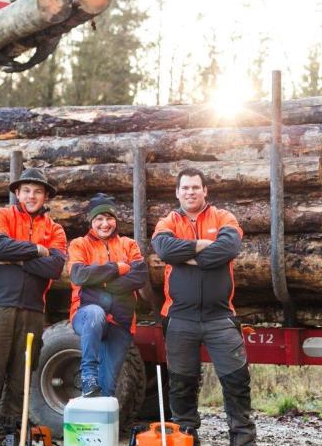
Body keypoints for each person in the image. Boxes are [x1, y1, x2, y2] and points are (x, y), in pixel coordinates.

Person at [151, 168, 256, 446]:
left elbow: (228, 249)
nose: (190, 192)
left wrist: (186, 256)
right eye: (185, 188)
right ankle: (186, 439)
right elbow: (164, 250)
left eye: (195, 187)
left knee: (236, 382)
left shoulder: (224, 217)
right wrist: (200, 245)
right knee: (181, 386)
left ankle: (243, 440)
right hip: (179, 319)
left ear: (205, 190)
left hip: (220, 317)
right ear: (177, 192)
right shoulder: (167, 222)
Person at [0, 167, 67, 445]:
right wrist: (37, 250)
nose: (31, 195)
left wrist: (18, 257)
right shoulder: (1, 216)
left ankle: (5, 435)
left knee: (21, 378)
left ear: (45, 196)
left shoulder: (54, 229)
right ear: (18, 193)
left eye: (37, 191)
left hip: (33, 310)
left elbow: (55, 267)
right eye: (26, 190)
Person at [68, 193, 148, 397]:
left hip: (121, 322)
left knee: (107, 390)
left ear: (116, 220)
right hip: (86, 315)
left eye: (109, 218)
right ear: (91, 222)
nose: (105, 224)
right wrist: (117, 268)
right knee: (95, 313)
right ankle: (88, 375)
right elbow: (79, 275)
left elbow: (140, 276)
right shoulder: (79, 244)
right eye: (99, 219)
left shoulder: (128, 245)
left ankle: (100, 428)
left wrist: (101, 284)